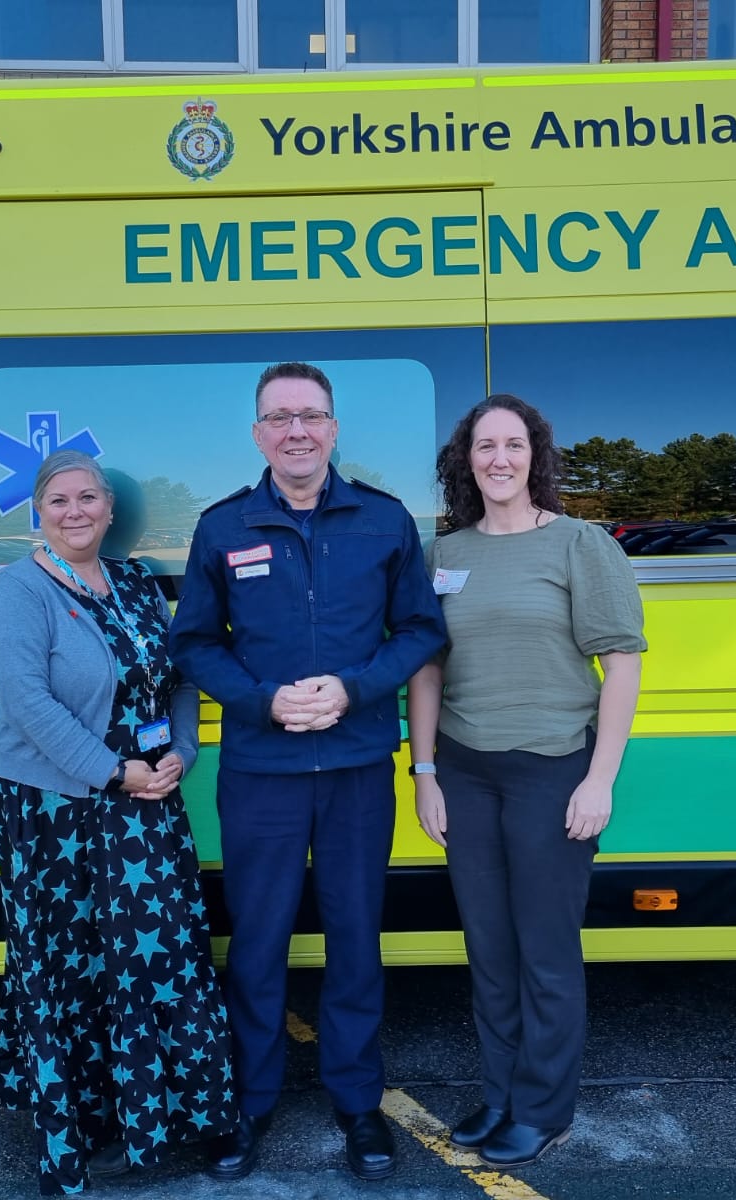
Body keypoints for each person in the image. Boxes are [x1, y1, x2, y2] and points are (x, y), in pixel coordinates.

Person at [169, 362, 447, 1182]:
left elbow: (420, 631)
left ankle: (359, 1103)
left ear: (333, 429)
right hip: (262, 769)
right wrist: (263, 703)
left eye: (311, 415)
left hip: (359, 766)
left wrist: (354, 689)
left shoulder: (384, 521)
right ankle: (248, 1105)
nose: (297, 430)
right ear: (258, 433)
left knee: (356, 938)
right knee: (255, 943)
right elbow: (192, 643)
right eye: (279, 416)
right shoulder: (223, 528)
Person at [0, 449, 237, 1196]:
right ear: (38, 511)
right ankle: (85, 1126)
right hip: (58, 809)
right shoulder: (19, 591)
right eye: (58, 500)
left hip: (148, 801)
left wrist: (182, 752)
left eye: (87, 498)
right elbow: (28, 702)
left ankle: (156, 1119)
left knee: (157, 959)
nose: (75, 511)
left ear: (110, 508)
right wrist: (113, 770)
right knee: (77, 967)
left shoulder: (132, 582)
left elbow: (178, 676)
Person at [406, 394, 645, 1170]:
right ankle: (503, 1094)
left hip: (552, 771)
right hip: (467, 772)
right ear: (465, 460)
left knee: (544, 951)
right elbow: (427, 669)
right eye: (484, 446)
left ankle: (544, 1111)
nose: (498, 459)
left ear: (534, 455)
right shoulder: (443, 556)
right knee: (489, 947)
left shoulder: (580, 544)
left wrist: (599, 778)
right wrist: (427, 771)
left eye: (513, 444)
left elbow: (622, 663)